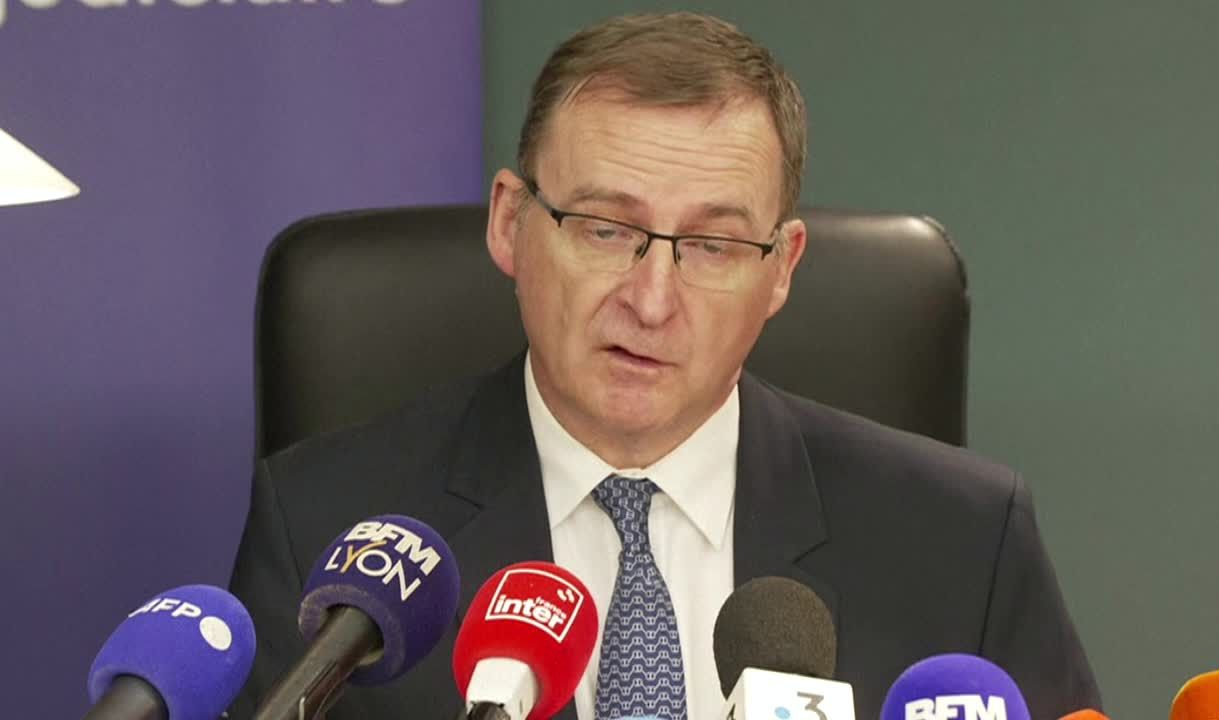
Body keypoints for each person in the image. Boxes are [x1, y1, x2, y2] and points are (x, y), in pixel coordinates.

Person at [228, 11, 1101, 720]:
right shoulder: (326, 532)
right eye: (606, 229)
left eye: (714, 245)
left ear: (782, 270)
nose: (652, 301)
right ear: (509, 223)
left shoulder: (964, 543)